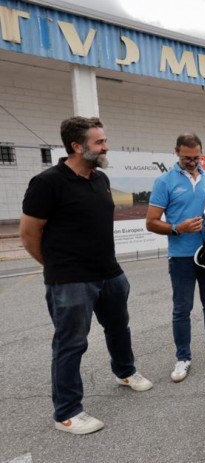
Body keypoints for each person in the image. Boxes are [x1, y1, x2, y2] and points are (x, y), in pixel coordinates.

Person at [19, 116, 153, 435]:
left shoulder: (100, 178)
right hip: (70, 279)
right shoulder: (48, 182)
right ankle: (66, 412)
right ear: (77, 146)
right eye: (99, 142)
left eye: (105, 140)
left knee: (119, 327)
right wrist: (55, 267)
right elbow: (28, 233)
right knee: (71, 343)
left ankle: (125, 372)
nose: (106, 146)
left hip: (110, 273)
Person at [146, 133, 205, 383]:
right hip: (181, 257)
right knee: (182, 309)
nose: (192, 162)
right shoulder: (164, 182)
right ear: (176, 152)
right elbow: (151, 222)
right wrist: (178, 227)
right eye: (187, 158)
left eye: (196, 157)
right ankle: (183, 358)